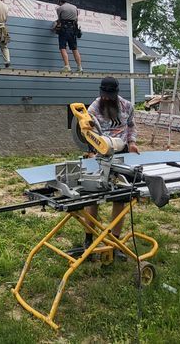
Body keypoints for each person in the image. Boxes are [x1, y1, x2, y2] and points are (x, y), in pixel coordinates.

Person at [76, 77, 139, 256]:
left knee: (121, 198)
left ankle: (115, 240)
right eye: (104, 96)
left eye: (110, 96)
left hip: (122, 155)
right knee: (93, 196)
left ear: (116, 93)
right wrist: (91, 151)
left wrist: (132, 142)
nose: (107, 99)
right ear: (100, 92)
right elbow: (87, 134)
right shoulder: (93, 109)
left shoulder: (127, 106)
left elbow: (132, 126)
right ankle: (89, 238)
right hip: (99, 155)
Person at [53, 0, 83, 72]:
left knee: (62, 47)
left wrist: (55, 26)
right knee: (74, 49)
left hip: (64, 29)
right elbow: (76, 19)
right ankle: (80, 67)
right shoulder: (74, 7)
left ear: (60, 2)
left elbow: (60, 19)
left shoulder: (60, 8)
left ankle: (67, 66)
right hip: (73, 30)